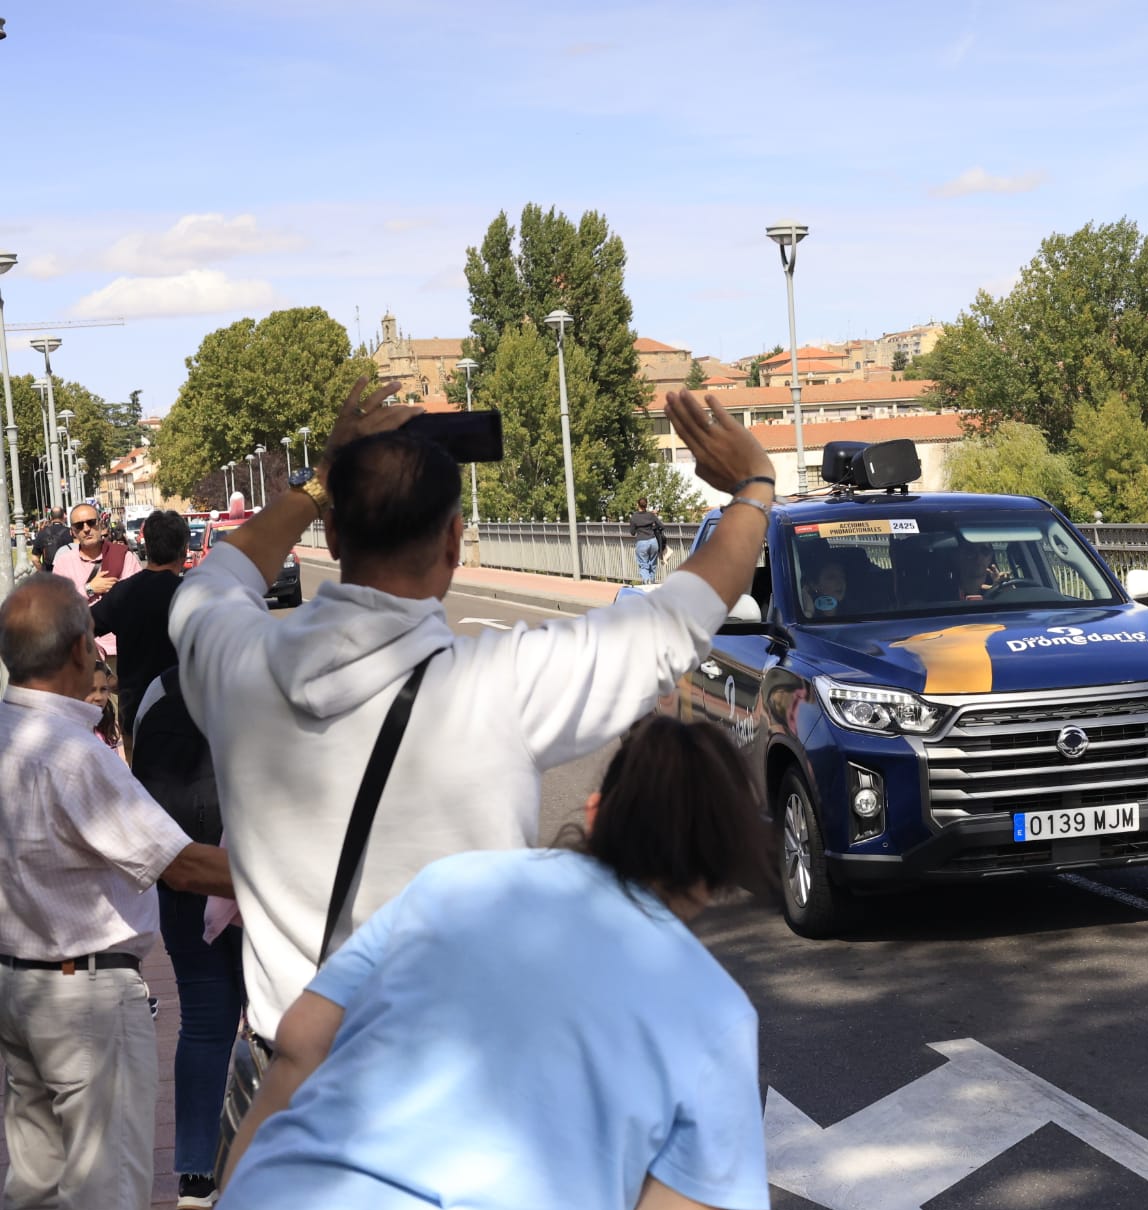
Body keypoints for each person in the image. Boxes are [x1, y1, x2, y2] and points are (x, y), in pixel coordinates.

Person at [167, 379, 776, 1090]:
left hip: (295, 1085)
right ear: (455, 542)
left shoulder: (234, 666)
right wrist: (754, 486)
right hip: (453, 1089)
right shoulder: (501, 683)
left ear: (332, 536)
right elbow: (679, 618)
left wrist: (320, 481)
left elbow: (214, 581)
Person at [176, 717, 773, 1210]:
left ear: (598, 811)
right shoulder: (714, 1011)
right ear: (717, 867)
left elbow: (297, 1043)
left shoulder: (452, 883)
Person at [0, 574, 235, 1210]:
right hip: (87, 999)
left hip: (20, 988)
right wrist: (303, 873)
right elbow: (182, 865)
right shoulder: (72, 754)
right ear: (77, 649)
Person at [131, 664, 244, 1210]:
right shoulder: (259, 681)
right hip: (249, 881)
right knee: (275, 1023)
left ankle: (195, 1174)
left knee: (202, 1023)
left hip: (181, 877)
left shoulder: (158, 691)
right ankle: (270, 1160)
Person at [92, 509, 189, 744]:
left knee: (138, 780)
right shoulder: (192, 594)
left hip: (136, 712)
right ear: (184, 550)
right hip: (187, 714)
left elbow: (78, 629)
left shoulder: (123, 593)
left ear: (147, 546)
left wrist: (104, 676)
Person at [51, 502, 141, 659]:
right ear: (72, 531)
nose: (86, 529)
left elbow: (138, 600)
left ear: (100, 525)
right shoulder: (63, 563)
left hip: (125, 650)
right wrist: (89, 589)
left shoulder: (124, 557)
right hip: (83, 654)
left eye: (91, 523)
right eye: (79, 525)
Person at [628, 497, 667, 585]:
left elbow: (632, 533)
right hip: (653, 542)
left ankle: (647, 581)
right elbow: (662, 526)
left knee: (643, 565)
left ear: (637, 505)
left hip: (642, 542)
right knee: (652, 565)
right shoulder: (651, 515)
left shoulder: (634, 517)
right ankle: (651, 584)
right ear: (646, 505)